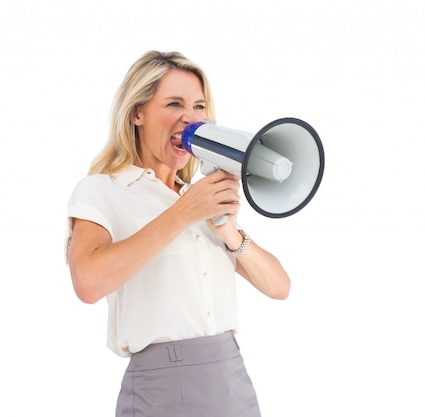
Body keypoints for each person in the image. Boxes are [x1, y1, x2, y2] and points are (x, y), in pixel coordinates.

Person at [65, 50, 290, 417]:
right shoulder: (102, 191)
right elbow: (87, 282)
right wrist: (183, 214)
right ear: (136, 113)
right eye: (174, 103)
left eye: (199, 106)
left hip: (233, 381)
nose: (191, 118)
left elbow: (280, 287)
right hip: (163, 389)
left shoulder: (198, 198)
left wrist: (228, 231)